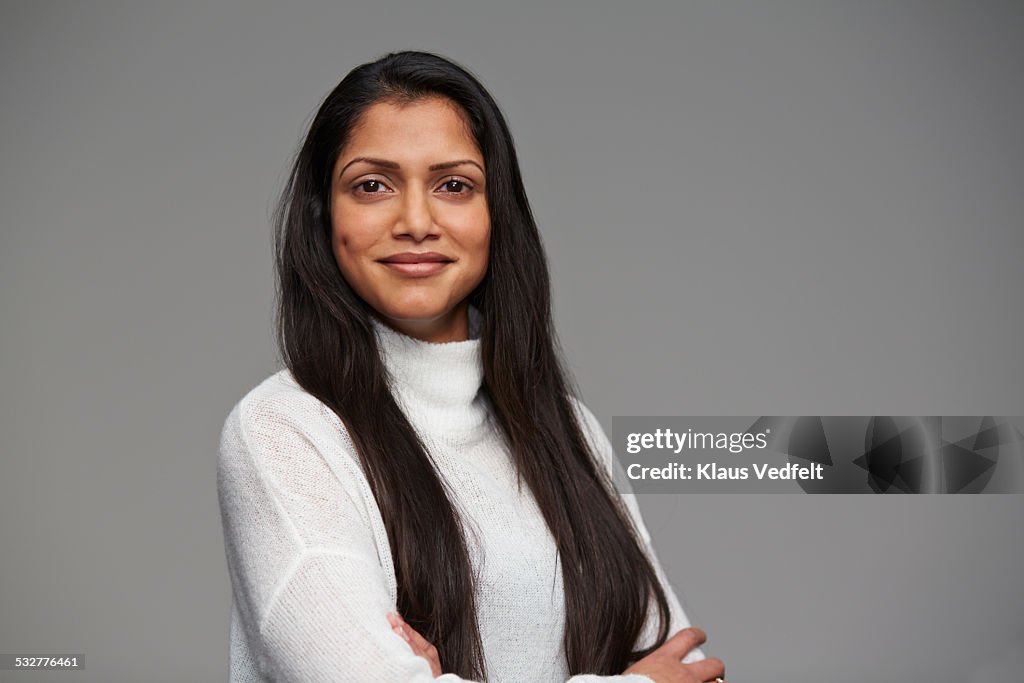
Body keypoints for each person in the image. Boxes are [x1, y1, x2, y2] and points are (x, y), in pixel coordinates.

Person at [216, 50, 727, 683]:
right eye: (372, 185)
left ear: (496, 215)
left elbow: (692, 671)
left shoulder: (570, 431)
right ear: (325, 217)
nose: (416, 222)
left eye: (453, 185)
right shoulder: (283, 431)